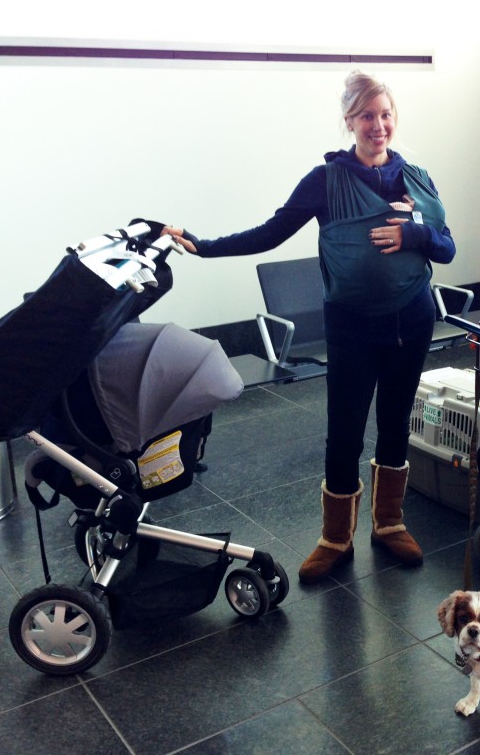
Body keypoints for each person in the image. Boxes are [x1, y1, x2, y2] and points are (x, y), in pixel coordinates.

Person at [163, 71, 456, 584]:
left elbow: (447, 248)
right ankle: (335, 538)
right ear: (349, 121)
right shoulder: (327, 181)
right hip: (352, 326)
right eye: (367, 115)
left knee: (395, 420)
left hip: (411, 319)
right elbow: (271, 232)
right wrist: (204, 244)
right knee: (342, 430)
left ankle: (389, 523)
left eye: (386, 114)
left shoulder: (418, 178)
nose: (379, 125)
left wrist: (415, 234)